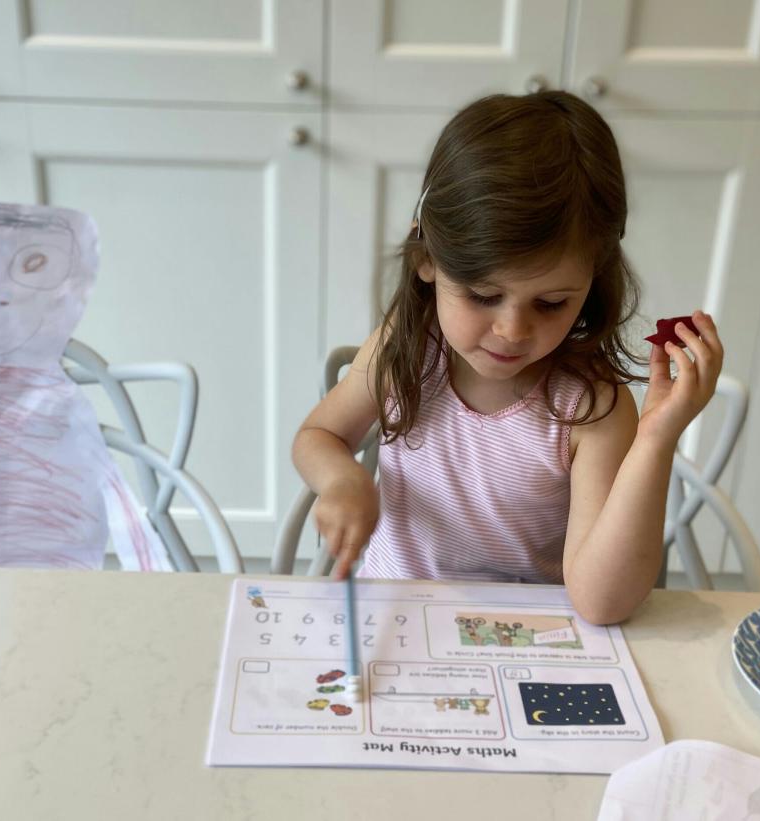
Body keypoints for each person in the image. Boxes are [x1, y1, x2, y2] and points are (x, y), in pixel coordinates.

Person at [291, 91, 723, 625]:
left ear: (593, 281)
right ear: (427, 260)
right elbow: (319, 437)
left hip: (524, 636)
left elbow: (602, 603)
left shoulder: (594, 408)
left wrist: (656, 439)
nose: (513, 330)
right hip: (393, 612)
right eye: (481, 295)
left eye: (551, 303)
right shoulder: (404, 346)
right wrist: (341, 479)